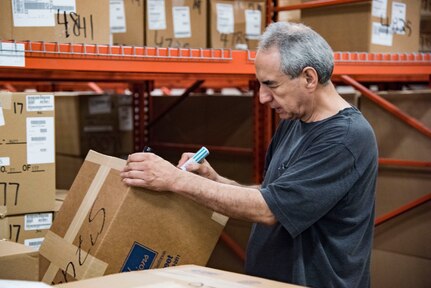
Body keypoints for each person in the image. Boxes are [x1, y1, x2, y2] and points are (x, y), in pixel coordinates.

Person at [121, 21, 378, 288]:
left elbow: (269, 210)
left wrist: (175, 179)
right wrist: (213, 180)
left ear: (309, 78)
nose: (263, 98)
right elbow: (273, 194)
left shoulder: (346, 138)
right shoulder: (293, 121)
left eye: (271, 85)